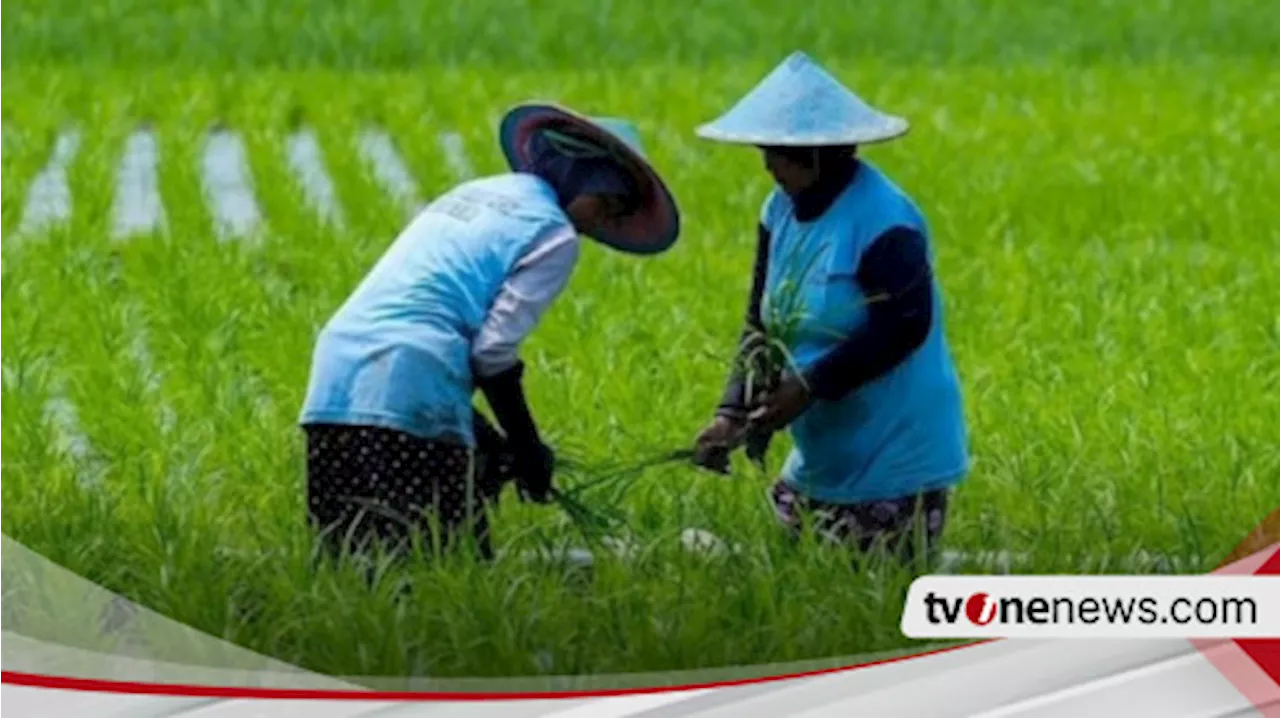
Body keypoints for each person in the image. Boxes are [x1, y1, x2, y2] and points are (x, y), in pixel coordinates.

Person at [298, 103, 680, 561]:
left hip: (336, 375)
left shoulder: (480, 193)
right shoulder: (554, 234)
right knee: (443, 567)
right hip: (409, 372)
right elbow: (493, 353)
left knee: (350, 559)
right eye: (605, 203)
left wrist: (506, 452)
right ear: (582, 177)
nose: (597, 224)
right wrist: (528, 447)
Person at [690, 51, 969, 566]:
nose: (767, 163)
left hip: (892, 446)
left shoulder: (885, 220)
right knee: (797, 586)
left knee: (872, 602)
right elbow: (761, 322)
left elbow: (904, 326)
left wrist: (809, 387)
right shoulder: (779, 210)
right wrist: (732, 411)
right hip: (823, 447)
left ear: (820, 153)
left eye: (778, 152)